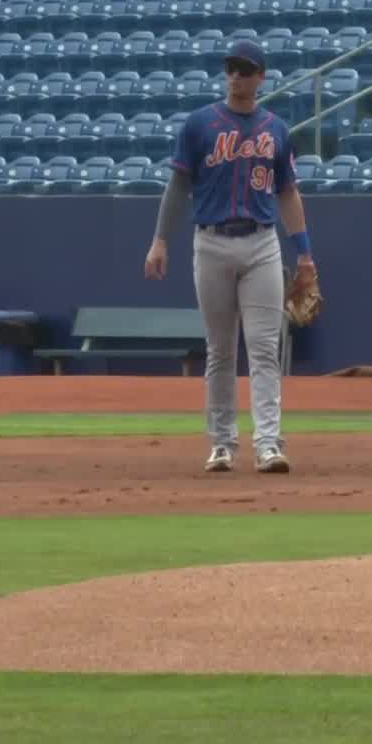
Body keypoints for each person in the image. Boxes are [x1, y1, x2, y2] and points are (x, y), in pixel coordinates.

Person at [144, 38, 317, 474]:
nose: (236, 75)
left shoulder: (275, 129)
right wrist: (160, 239)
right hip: (211, 241)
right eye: (231, 68)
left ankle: (268, 444)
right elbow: (179, 185)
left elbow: (288, 193)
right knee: (220, 350)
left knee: (262, 348)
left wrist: (305, 254)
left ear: (261, 76)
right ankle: (222, 443)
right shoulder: (200, 125)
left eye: (245, 68)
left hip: (261, 243)